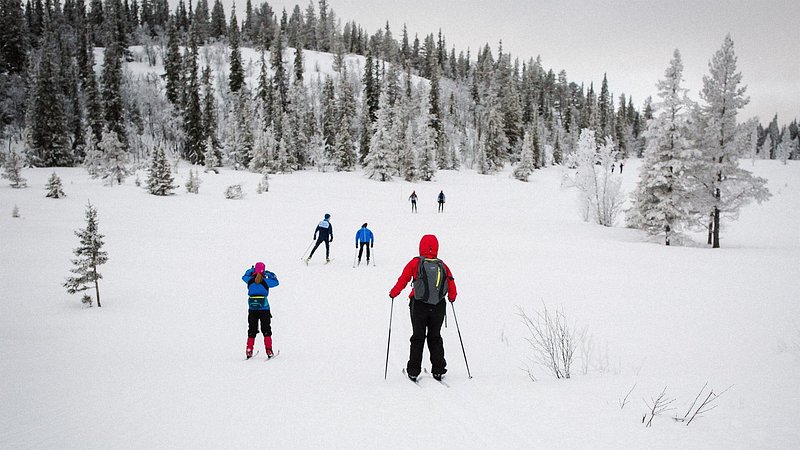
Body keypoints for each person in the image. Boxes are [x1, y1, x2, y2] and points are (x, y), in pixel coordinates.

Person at [389, 234, 457, 381]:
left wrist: (393, 293)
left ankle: (413, 371)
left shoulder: (415, 263)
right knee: (435, 337)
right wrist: (451, 297)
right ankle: (438, 369)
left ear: (421, 246)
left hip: (418, 305)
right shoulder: (443, 265)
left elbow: (404, 279)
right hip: (438, 306)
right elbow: (451, 284)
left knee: (418, 337)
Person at [242, 262, 280, 358]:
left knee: (252, 329)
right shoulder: (266, 281)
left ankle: (249, 349)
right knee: (266, 329)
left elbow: (244, 276)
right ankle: (269, 350)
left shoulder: (250, 280)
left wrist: (251, 270)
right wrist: (268, 273)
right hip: (264, 309)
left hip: (252, 309)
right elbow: (276, 282)